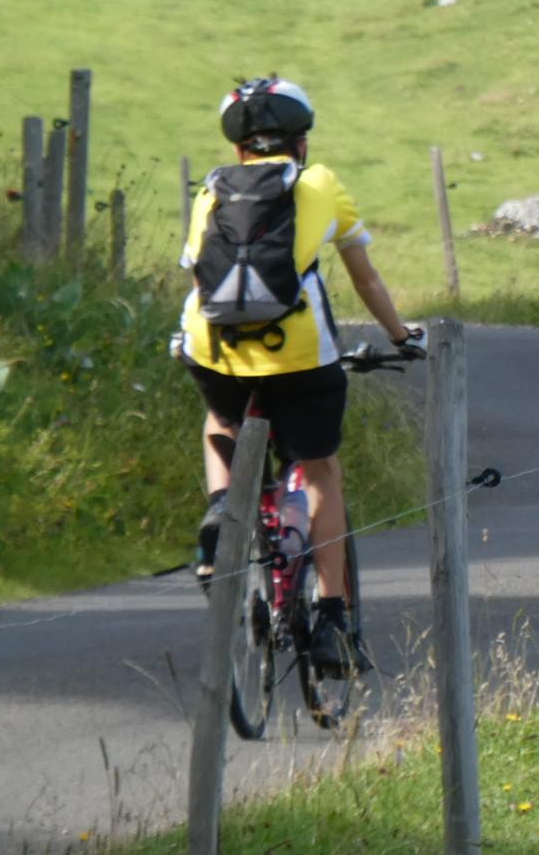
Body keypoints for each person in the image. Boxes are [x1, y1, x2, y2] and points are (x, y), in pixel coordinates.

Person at [175, 76, 420, 676]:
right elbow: (364, 278)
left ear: (239, 151)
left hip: (215, 347)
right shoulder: (320, 183)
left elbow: (198, 279)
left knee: (222, 417)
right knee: (320, 471)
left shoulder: (211, 192)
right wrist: (400, 337)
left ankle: (219, 510)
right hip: (299, 353)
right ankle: (333, 618)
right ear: (302, 143)